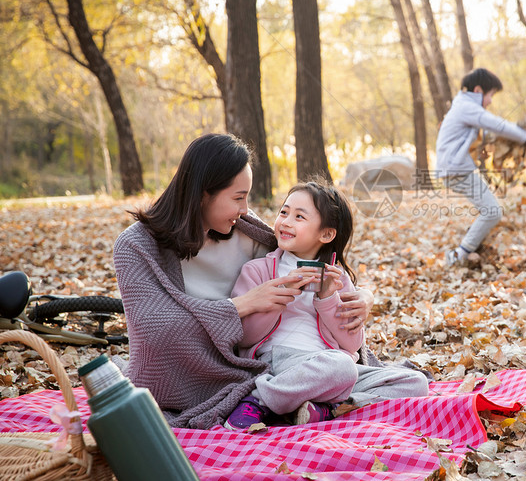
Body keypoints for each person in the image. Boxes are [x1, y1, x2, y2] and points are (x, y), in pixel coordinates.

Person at [112, 133, 374, 429]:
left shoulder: (247, 231)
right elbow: (156, 332)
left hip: (290, 365)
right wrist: (242, 305)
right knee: (334, 371)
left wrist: (363, 296)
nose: (246, 209)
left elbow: (308, 256)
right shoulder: (136, 246)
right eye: (238, 197)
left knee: (384, 378)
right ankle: (274, 402)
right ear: (202, 193)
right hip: (215, 372)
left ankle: (311, 404)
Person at [227, 180, 429, 430]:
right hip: (282, 363)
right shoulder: (258, 270)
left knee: (416, 382)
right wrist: (279, 298)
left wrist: (326, 299)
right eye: (284, 212)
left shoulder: (338, 278)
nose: (286, 222)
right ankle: (258, 400)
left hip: (331, 368)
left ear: (326, 234)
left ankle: (327, 409)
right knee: (342, 366)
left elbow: (352, 344)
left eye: (299, 217)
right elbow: (244, 338)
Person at [436, 67, 526, 266]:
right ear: (478, 91)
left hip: (455, 167)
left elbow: (486, 133)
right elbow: (496, 124)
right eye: (491, 94)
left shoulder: (462, 105)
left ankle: (467, 249)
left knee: (490, 210)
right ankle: (460, 254)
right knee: (492, 211)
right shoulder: (467, 107)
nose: (491, 100)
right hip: (456, 169)